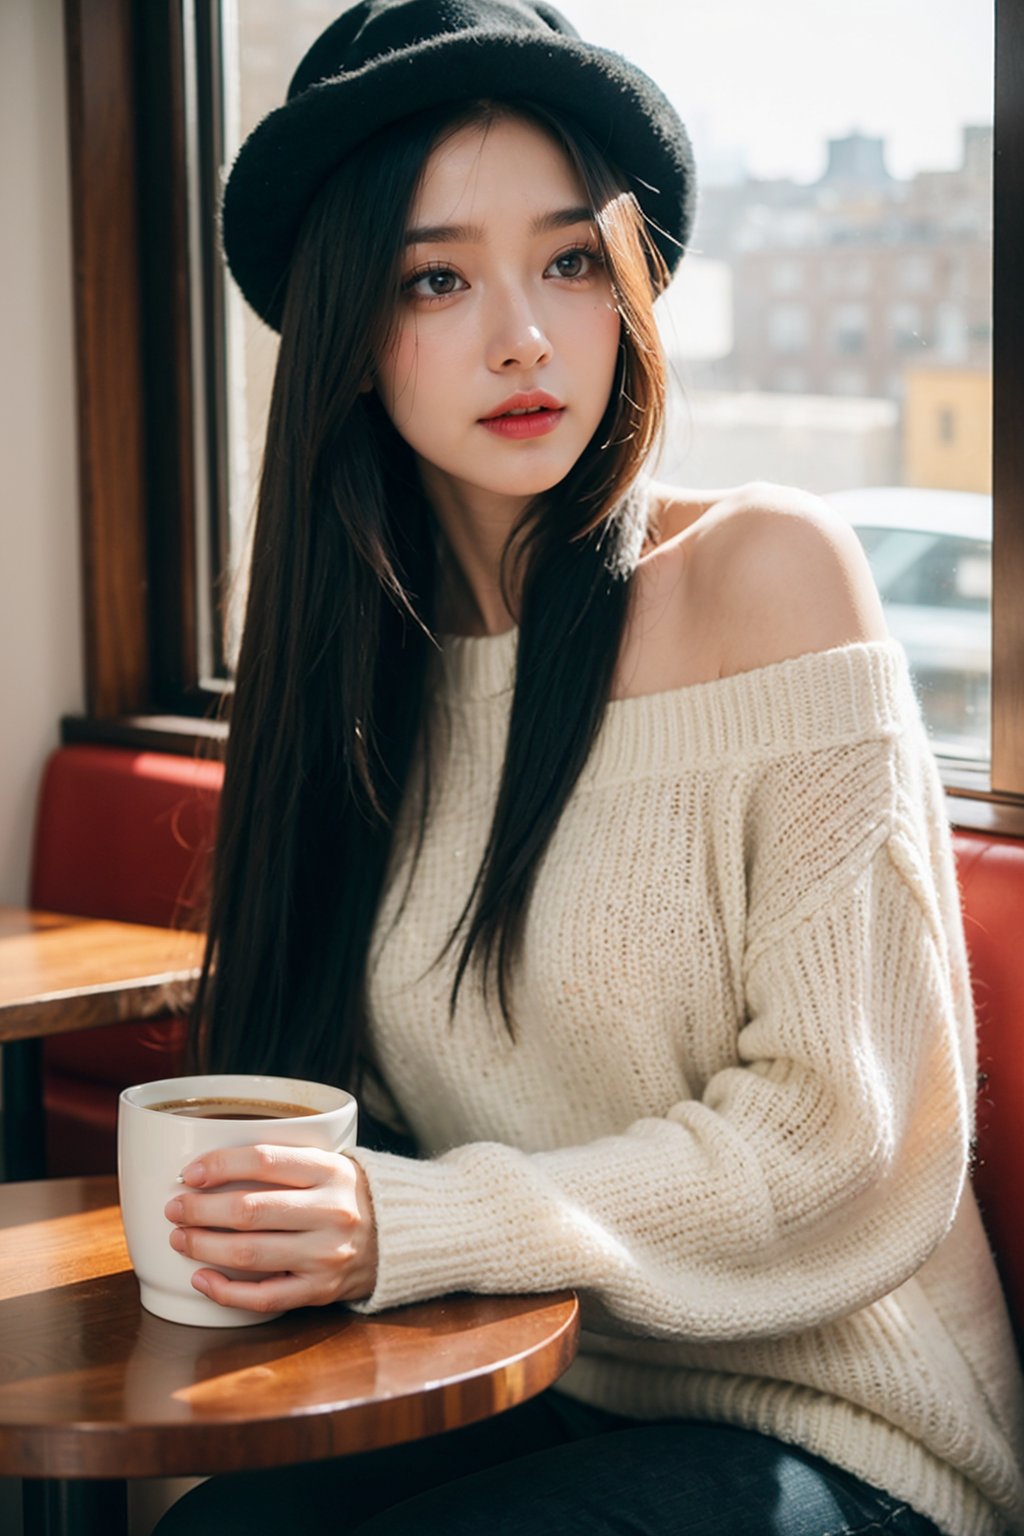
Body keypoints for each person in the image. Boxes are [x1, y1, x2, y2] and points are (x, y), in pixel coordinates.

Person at [155, 3, 1024, 1533]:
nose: (525, 335)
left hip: (848, 1435)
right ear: (351, 337)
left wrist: (410, 1224)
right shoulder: (357, 679)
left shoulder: (770, 571)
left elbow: (843, 1140)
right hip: (527, 1385)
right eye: (438, 277)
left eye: (570, 260)